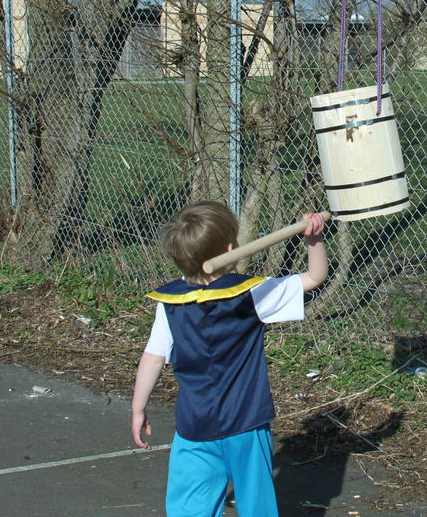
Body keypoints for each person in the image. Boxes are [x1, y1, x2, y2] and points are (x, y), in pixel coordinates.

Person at [131, 201, 328, 517]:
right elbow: (315, 277)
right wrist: (314, 238)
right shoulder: (251, 294)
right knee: (256, 505)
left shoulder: (169, 304)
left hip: (194, 427)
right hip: (244, 425)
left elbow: (152, 358)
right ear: (228, 248)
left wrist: (138, 408)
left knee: (188, 508)